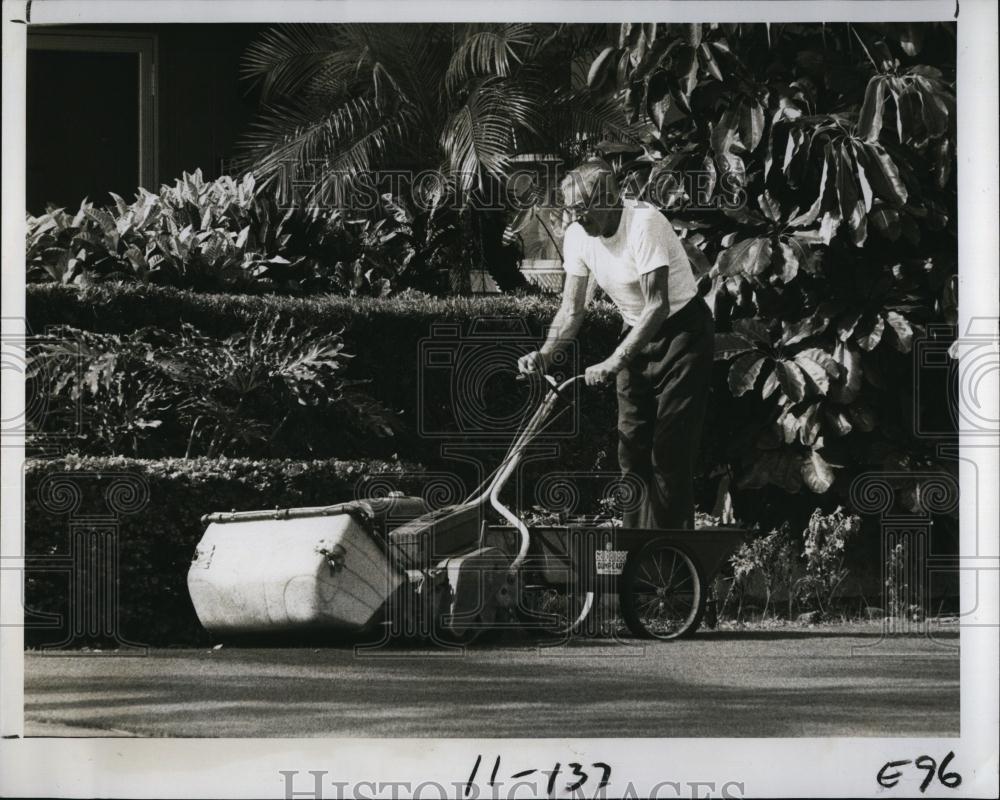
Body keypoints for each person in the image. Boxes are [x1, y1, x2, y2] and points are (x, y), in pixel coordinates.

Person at [517, 158, 714, 530]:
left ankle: (671, 557)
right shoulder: (579, 237)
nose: (575, 218)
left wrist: (613, 361)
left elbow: (658, 306)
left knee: (669, 453)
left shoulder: (645, 223)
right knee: (631, 449)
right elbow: (572, 310)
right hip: (635, 335)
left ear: (609, 198)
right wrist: (544, 355)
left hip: (682, 336)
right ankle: (636, 549)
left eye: (581, 209)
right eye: (570, 210)